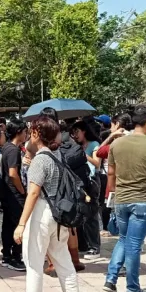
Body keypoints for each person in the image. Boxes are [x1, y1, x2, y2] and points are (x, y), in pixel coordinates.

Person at [13, 116, 84, 292]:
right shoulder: (58, 156)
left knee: (34, 261)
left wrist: (21, 224)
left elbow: (33, 194)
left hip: (42, 213)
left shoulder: (40, 160)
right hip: (60, 216)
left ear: (36, 134)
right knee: (63, 261)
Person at [104, 106, 146, 292]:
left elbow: (111, 173)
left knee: (124, 239)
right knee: (134, 244)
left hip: (122, 199)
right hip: (143, 200)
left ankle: (111, 279)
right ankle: (133, 288)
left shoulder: (117, 144)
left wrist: (113, 193)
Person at [42, 109, 88, 273]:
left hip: (52, 187)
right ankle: (75, 260)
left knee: (50, 225)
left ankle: (53, 262)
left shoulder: (46, 135)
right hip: (69, 185)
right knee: (70, 226)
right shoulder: (66, 135)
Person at [0, 119, 28, 271]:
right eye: (25, 132)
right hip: (14, 194)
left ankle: (7, 255)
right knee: (18, 225)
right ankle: (15, 256)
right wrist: (22, 191)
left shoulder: (8, 147)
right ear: (19, 132)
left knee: (9, 225)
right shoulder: (13, 150)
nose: (26, 135)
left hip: (8, 192)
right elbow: (12, 174)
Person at [72, 120, 102, 260]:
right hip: (79, 181)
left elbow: (97, 163)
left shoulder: (94, 145)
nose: (75, 135)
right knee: (80, 214)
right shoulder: (76, 146)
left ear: (84, 131)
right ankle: (82, 244)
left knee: (91, 214)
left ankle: (94, 247)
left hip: (91, 181)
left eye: (77, 131)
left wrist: (83, 155)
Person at [96, 113, 132, 229]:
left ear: (117, 125)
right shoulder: (136, 138)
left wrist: (111, 136)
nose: (111, 128)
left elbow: (100, 151)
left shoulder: (117, 142)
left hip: (118, 181)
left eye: (112, 125)